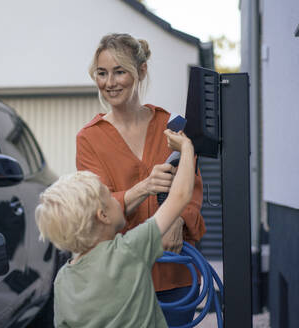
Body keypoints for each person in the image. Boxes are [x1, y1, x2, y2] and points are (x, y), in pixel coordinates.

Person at [75, 33, 206, 325]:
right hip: (120, 279)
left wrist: (178, 219)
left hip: (175, 275)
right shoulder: (89, 139)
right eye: (102, 73)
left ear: (141, 71)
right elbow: (98, 211)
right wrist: (145, 187)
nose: (110, 82)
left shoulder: (171, 127)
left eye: (120, 71)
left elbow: (192, 189)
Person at [35, 129, 195, 327]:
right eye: (109, 197)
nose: (116, 199)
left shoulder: (62, 279)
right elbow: (180, 196)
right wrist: (186, 148)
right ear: (103, 215)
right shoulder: (129, 250)